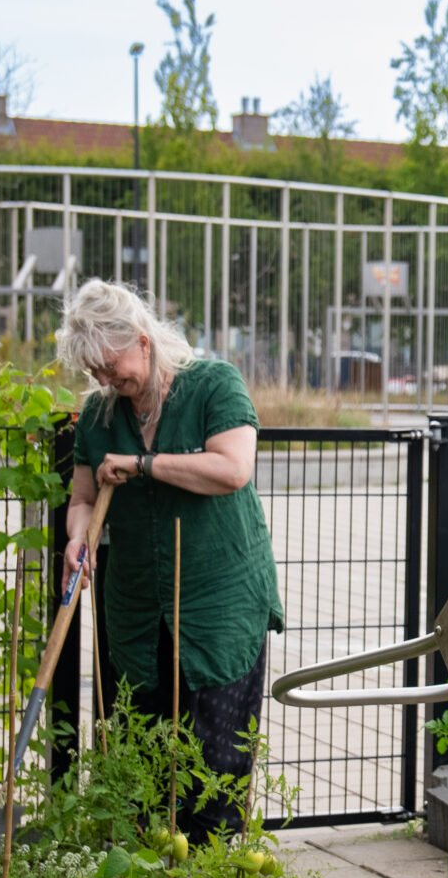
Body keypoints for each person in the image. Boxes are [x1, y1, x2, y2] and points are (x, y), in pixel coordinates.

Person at [56, 279, 284, 839]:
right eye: (95, 372)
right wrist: (78, 537)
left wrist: (143, 465)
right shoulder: (99, 414)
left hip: (219, 598)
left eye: (111, 367)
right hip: (137, 605)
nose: (105, 381)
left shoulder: (214, 385)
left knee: (216, 758)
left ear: (141, 339)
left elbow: (233, 468)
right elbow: (82, 499)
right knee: (141, 755)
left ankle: (208, 877)